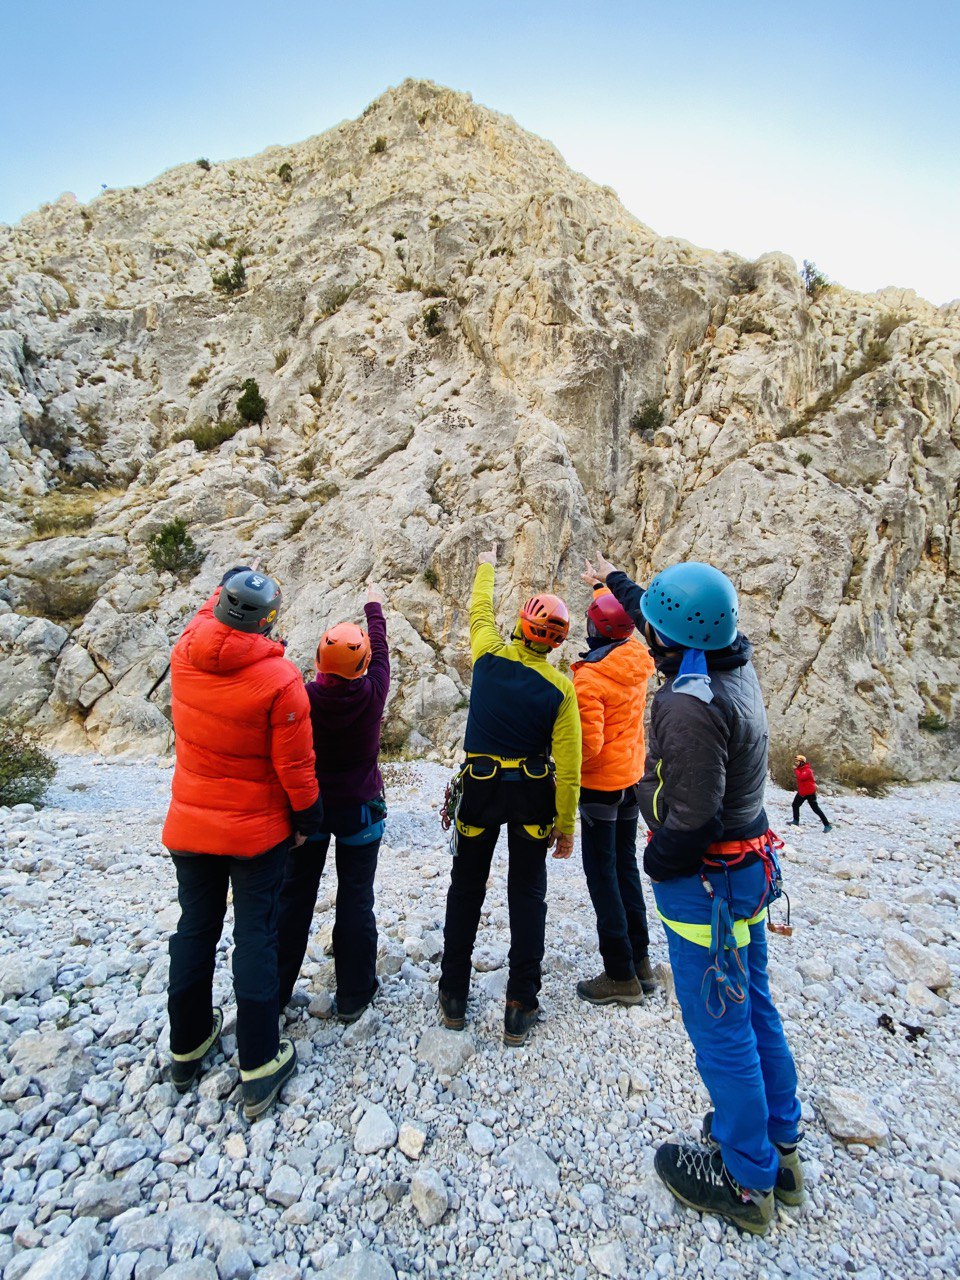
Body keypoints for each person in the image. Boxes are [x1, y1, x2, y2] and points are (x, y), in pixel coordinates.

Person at [589, 553, 803, 1235]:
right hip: (749, 869)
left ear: (667, 638)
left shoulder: (687, 704)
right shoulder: (730, 663)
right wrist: (618, 578)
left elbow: (692, 820)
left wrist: (657, 868)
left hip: (708, 880)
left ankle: (746, 1180)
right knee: (755, 1004)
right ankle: (780, 1145)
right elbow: (674, 613)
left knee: (720, 1027)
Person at [162, 564, 324, 1120]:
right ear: (268, 621)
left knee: (194, 929)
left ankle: (187, 1046)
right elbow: (297, 767)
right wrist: (309, 818)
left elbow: (211, 614)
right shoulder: (281, 681)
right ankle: (258, 1062)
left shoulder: (185, 654)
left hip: (190, 824)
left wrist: (235, 580)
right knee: (254, 935)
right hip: (256, 832)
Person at [438, 543, 582, 1046]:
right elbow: (569, 767)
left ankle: (454, 994)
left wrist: (486, 564)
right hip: (532, 798)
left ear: (520, 625)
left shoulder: (488, 654)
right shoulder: (561, 688)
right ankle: (520, 1004)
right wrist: (565, 824)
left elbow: (479, 609)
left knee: (466, 888)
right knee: (527, 895)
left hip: (479, 790)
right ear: (558, 642)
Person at [276, 585, 390, 1022]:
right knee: (356, 898)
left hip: (311, 810)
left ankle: (277, 990)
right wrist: (374, 607)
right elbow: (380, 652)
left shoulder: (302, 696)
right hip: (360, 808)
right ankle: (354, 994)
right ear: (361, 667)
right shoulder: (372, 691)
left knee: (295, 899)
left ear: (318, 662)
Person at [572, 574, 657, 1005]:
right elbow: (619, 619)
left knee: (601, 873)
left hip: (601, 786)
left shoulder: (590, 679)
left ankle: (620, 974)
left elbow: (588, 746)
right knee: (625, 867)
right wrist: (601, 585)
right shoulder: (637, 657)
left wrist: (560, 768)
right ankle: (640, 960)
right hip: (631, 779)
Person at [789, 755, 832, 831]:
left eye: (797, 761)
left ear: (802, 762)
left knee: (815, 809)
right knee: (795, 805)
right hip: (802, 792)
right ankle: (795, 821)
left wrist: (796, 770)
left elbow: (801, 777)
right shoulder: (801, 769)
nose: (796, 763)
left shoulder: (807, 770)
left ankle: (827, 825)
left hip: (809, 792)